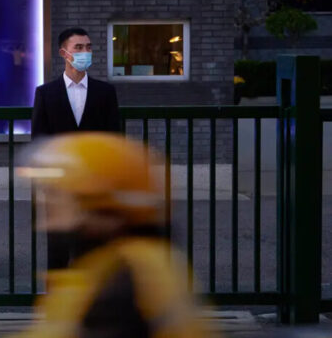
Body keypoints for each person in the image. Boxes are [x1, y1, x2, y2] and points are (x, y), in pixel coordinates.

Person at [15, 133, 211, 338]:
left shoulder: (123, 286)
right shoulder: (111, 264)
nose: (45, 201)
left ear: (100, 205)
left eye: (56, 192)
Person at [31, 26, 120, 269]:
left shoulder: (105, 93)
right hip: (60, 186)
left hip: (95, 185)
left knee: (95, 251)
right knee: (58, 250)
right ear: (64, 53)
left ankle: (95, 303)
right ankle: (58, 301)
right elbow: (40, 142)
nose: (85, 52)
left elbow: (114, 140)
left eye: (88, 47)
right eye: (78, 48)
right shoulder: (46, 94)